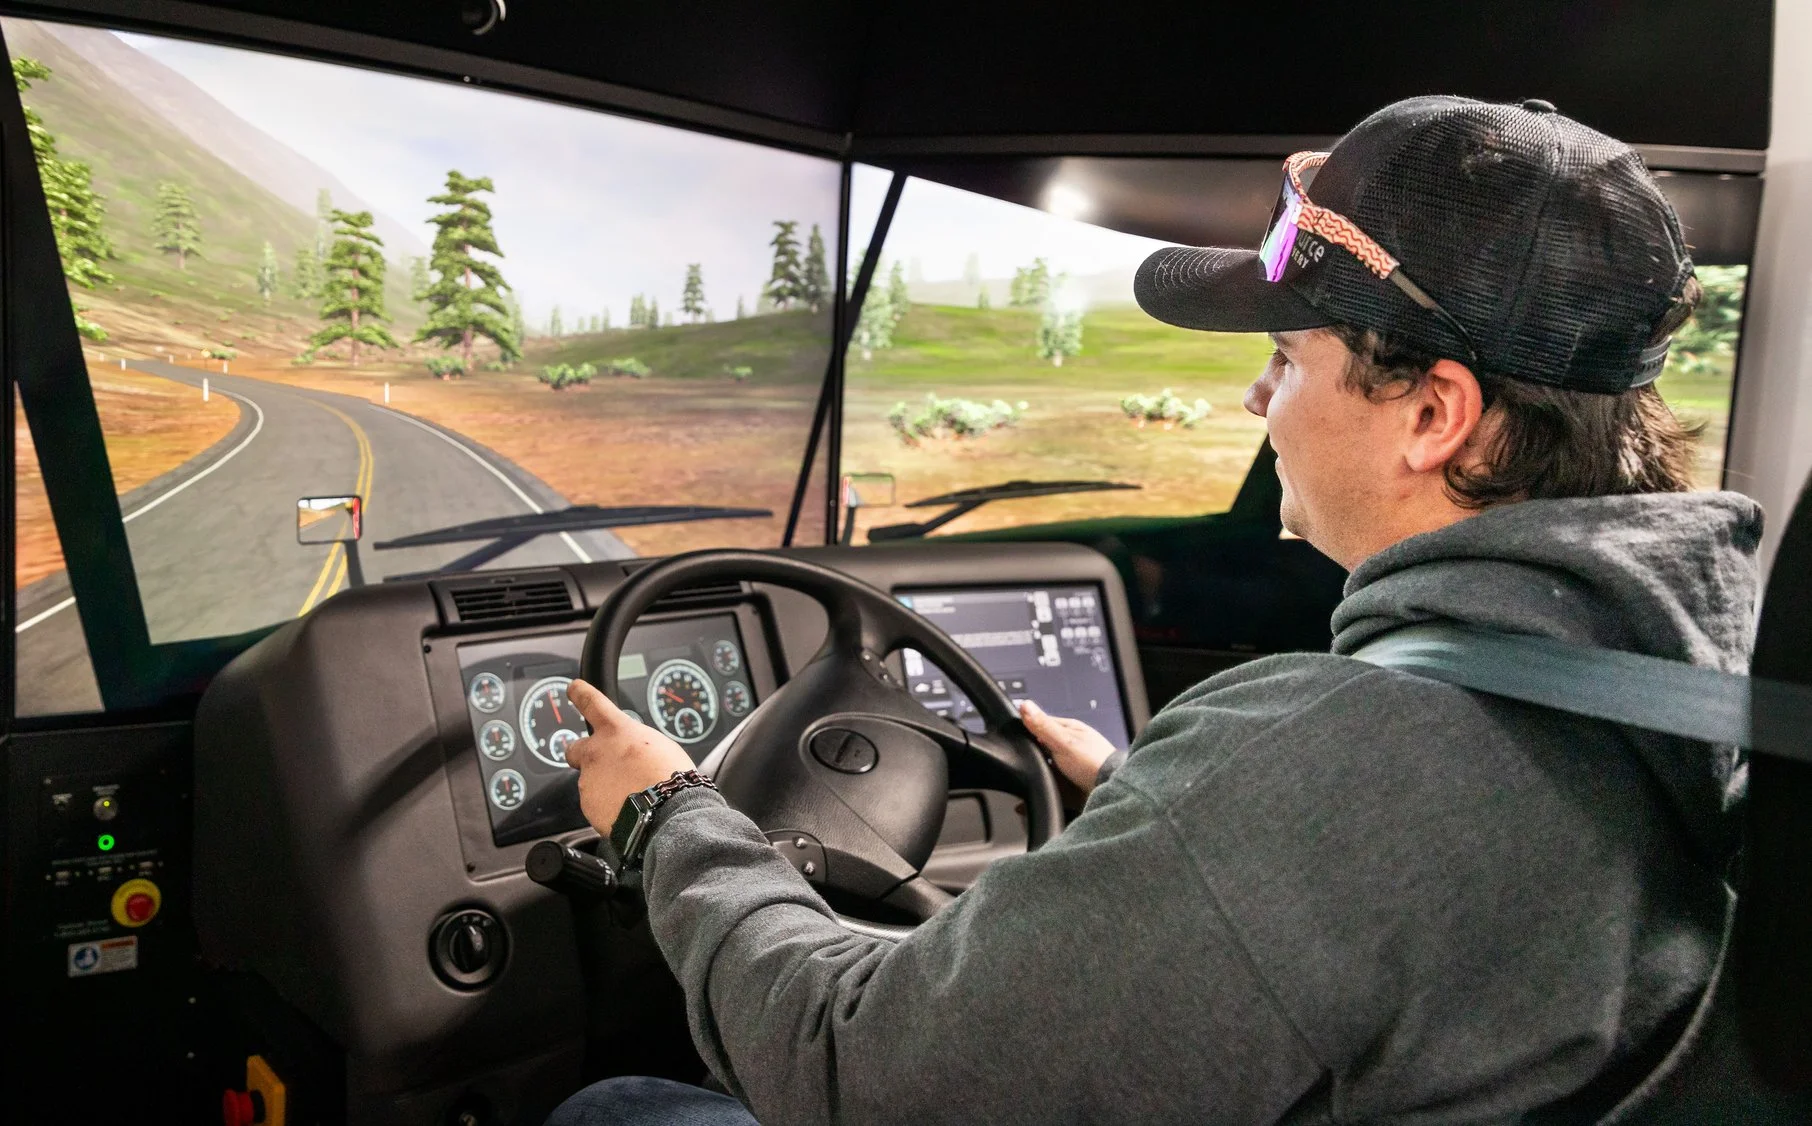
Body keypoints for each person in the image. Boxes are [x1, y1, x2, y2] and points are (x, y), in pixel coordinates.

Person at [548, 95, 1763, 1124]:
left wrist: (668, 815)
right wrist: (1156, 809)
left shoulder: (1324, 757)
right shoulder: (1699, 674)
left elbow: (850, 1065)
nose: (1256, 400)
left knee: (616, 1108)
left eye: (1287, 360)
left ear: (1433, 414)